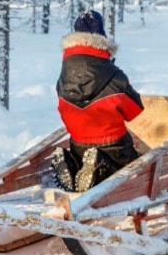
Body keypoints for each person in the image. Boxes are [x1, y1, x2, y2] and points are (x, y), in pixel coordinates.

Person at [53, 10, 144, 192]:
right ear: (102, 39)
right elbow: (134, 111)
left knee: (83, 158)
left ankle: (73, 165)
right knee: (132, 167)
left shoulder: (63, 79)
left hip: (78, 144)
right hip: (114, 146)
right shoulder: (115, 77)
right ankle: (99, 164)